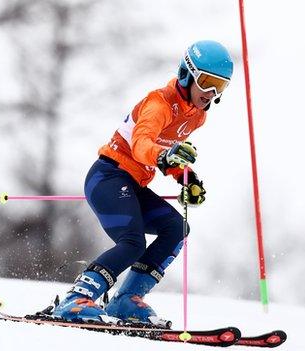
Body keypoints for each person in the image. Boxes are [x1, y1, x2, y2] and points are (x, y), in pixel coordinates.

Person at [51, 40, 233, 325]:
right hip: (108, 176)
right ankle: (76, 299)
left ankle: (126, 300)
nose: (211, 93)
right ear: (187, 74)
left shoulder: (197, 116)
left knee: (176, 228)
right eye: (207, 82)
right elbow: (141, 146)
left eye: (220, 87)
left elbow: (167, 153)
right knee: (133, 242)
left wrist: (187, 179)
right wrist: (166, 155)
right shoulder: (159, 103)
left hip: (134, 184)